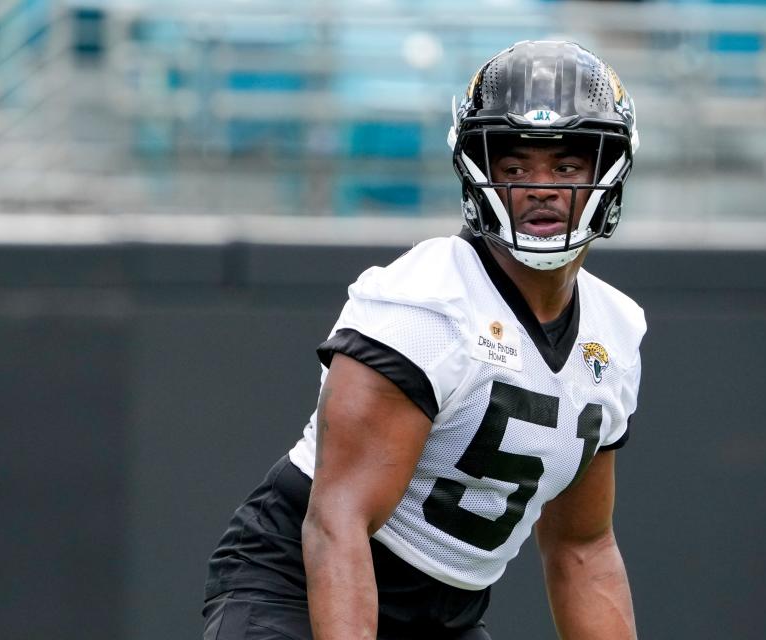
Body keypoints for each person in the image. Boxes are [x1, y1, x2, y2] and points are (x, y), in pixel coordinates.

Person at [203, 40, 646, 640]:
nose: (541, 187)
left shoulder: (612, 331)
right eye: (515, 168)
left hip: (447, 616)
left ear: (609, 171)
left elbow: (582, 547)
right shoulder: (427, 302)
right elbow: (339, 521)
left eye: (566, 168)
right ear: (476, 173)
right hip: (299, 585)